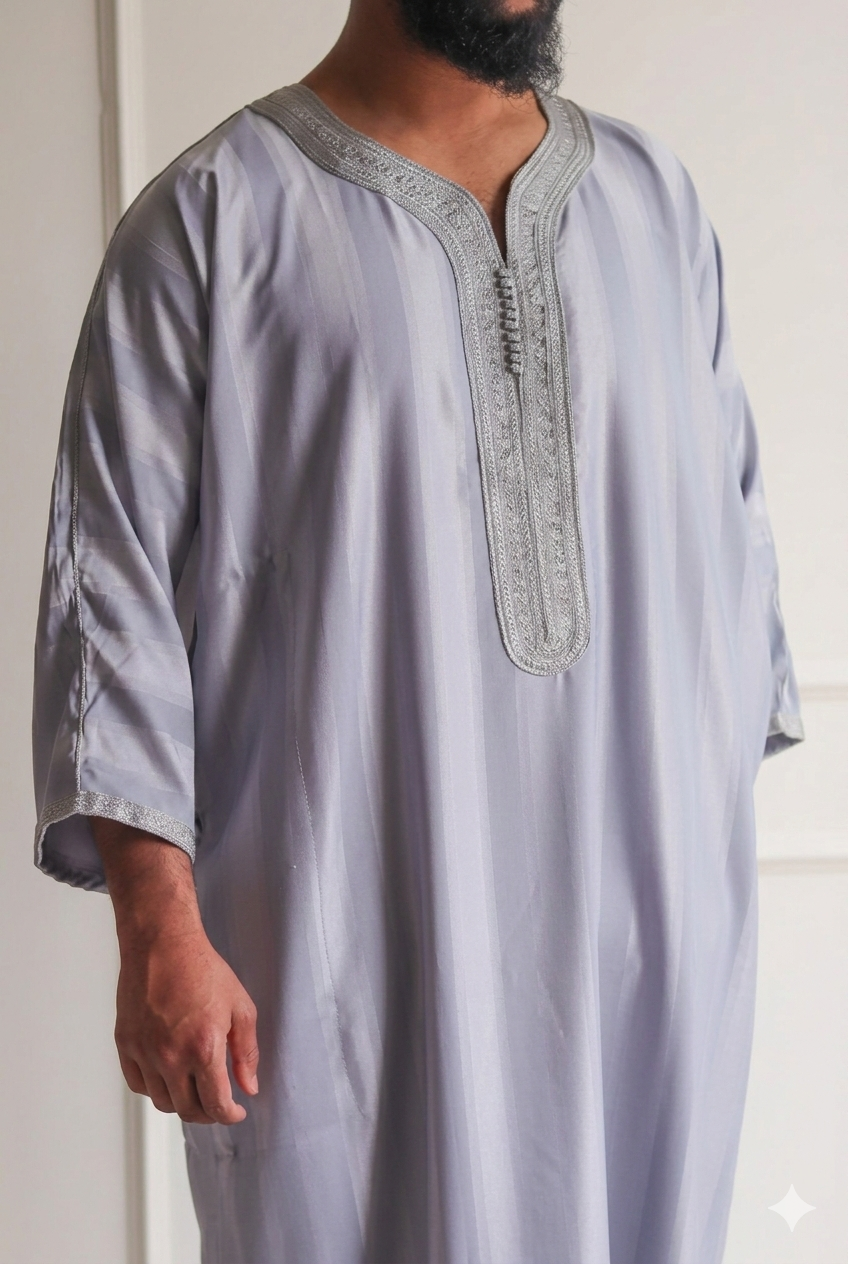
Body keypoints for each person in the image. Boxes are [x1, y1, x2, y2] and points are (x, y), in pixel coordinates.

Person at [32, 0, 804, 1259]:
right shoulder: (212, 220)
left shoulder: (655, 207)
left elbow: (726, 577)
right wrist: (155, 927)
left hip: (636, 972)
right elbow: (108, 593)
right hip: (344, 954)